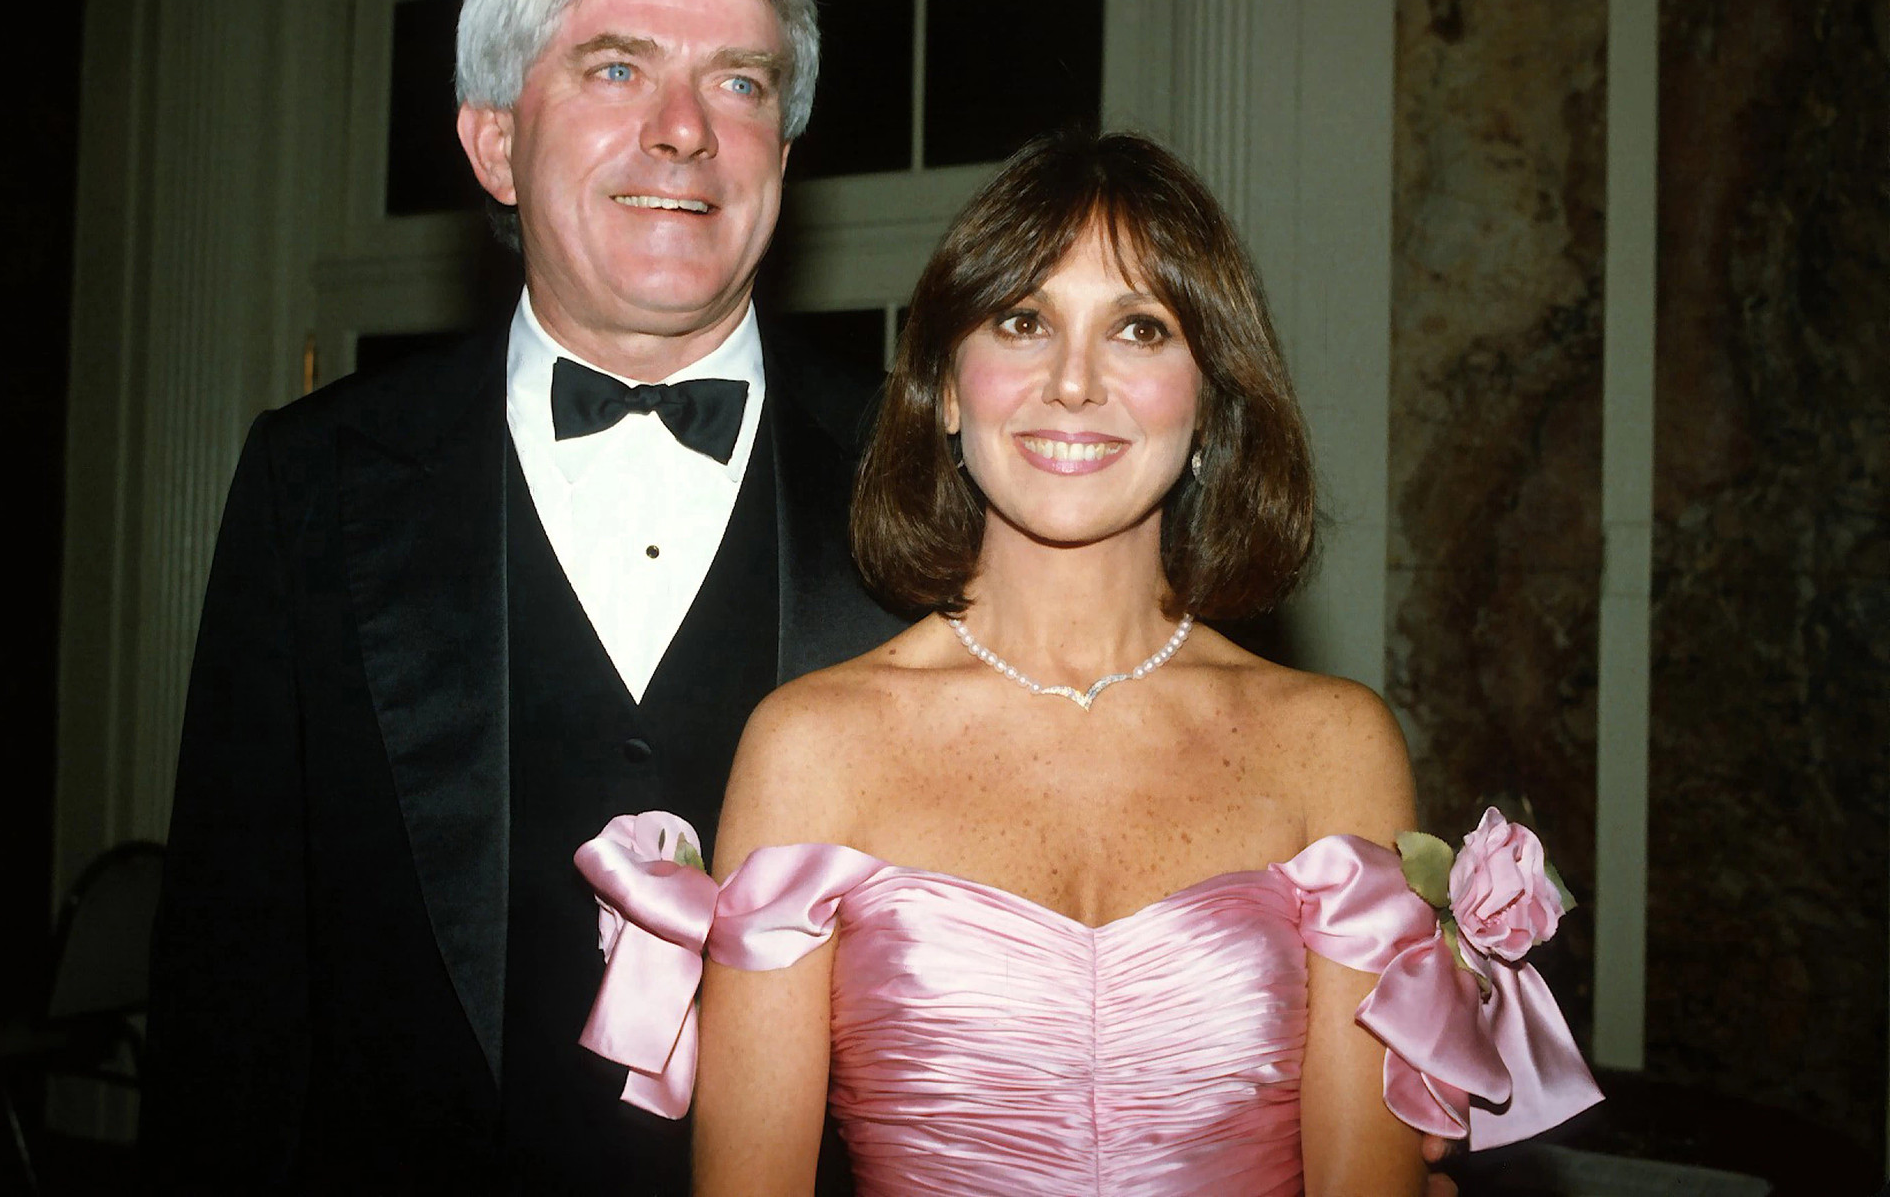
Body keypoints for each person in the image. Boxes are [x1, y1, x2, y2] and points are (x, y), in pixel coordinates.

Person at [569, 131, 1596, 1193]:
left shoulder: (1328, 744)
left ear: (1207, 405)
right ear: (947, 388)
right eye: (1022, 321)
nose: (1071, 382)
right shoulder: (812, 747)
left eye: (1139, 329)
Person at [139, 0, 905, 1195]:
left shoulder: (930, 479)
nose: (684, 132)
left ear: (782, 151)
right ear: (495, 141)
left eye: (739, 82)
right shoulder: (313, 481)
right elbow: (233, 976)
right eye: (618, 69)